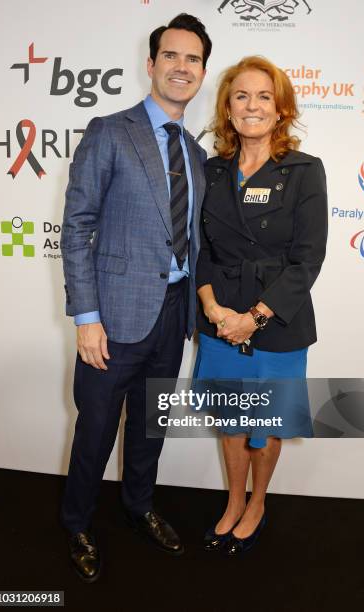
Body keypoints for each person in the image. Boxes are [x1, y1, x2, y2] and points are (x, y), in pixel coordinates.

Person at [60, 13, 211, 581]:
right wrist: (87, 317)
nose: (181, 67)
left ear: (201, 72)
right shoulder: (110, 131)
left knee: (149, 424)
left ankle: (139, 507)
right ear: (151, 65)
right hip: (113, 318)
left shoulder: (195, 155)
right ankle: (76, 522)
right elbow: (77, 226)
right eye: (170, 56)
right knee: (96, 430)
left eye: (192, 59)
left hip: (173, 316)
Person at [194, 55, 328, 556]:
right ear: (228, 110)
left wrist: (255, 318)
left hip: (276, 320)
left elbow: (308, 259)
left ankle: (258, 504)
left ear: (281, 109)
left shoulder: (304, 170)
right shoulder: (211, 170)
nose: (252, 105)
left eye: (264, 96)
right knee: (231, 422)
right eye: (241, 96)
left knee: (264, 426)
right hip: (220, 319)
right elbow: (200, 249)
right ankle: (232, 502)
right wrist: (212, 309)